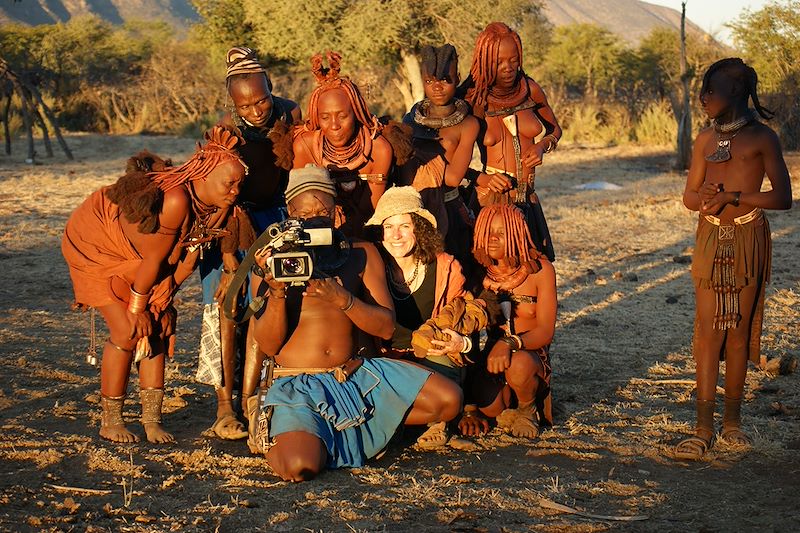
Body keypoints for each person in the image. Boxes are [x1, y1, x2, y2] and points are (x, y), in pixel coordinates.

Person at [250, 166, 462, 481]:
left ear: (336, 213)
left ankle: (334, 429)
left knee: (450, 400)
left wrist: (342, 299)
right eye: (304, 212)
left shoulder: (360, 254)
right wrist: (278, 292)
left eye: (323, 210)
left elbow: (386, 327)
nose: (314, 218)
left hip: (354, 377)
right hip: (297, 384)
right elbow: (267, 345)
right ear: (288, 213)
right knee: (299, 467)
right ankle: (299, 428)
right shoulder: (273, 260)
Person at [62, 126, 248, 444]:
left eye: (239, 184)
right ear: (203, 174)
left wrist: (176, 279)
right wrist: (137, 309)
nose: (234, 191)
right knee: (127, 331)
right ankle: (111, 421)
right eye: (229, 182)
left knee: (157, 329)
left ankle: (151, 422)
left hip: (145, 266)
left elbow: (171, 268)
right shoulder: (176, 199)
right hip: (99, 244)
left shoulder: (218, 209)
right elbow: (152, 262)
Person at [675, 58, 792, 460]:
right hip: (711, 239)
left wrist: (734, 197)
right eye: (704, 89)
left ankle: (732, 424)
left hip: (747, 237)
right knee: (710, 333)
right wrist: (706, 198)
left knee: (737, 332)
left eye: (713, 89)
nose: (705, 96)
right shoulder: (705, 141)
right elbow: (689, 196)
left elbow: (783, 198)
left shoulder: (763, 138)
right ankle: (703, 427)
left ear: (738, 93)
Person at [196, 46, 301, 441]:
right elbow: (224, 196)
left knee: (269, 299)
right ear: (232, 102)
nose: (256, 111)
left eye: (262, 100)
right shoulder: (227, 131)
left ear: (272, 88)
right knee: (221, 303)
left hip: (276, 215)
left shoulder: (291, 114)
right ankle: (225, 405)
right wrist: (227, 261)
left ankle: (257, 394)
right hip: (232, 219)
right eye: (246, 105)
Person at [364, 186, 487, 449]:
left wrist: (461, 344)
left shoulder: (444, 266)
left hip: (432, 357)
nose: (396, 235)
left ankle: (436, 421)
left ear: (418, 229)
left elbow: (465, 311)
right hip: (390, 357)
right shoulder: (372, 267)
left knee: (439, 357)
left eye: (405, 226)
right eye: (388, 227)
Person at [460, 22, 562, 261]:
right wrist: (482, 178)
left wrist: (542, 145)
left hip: (528, 196)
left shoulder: (531, 89)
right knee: (495, 270)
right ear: (485, 62)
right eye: (498, 62)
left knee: (533, 265)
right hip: (491, 201)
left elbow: (554, 129)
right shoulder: (473, 100)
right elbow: (445, 162)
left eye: (513, 60)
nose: (508, 68)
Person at [460, 203, 557, 439]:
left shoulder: (541, 271)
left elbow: (545, 331)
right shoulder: (477, 273)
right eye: (487, 231)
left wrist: (509, 344)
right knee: (489, 405)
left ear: (517, 233)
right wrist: (470, 408)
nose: (493, 238)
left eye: (502, 233)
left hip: (529, 356)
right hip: (492, 359)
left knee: (519, 365)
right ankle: (503, 412)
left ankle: (527, 409)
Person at [292, 51, 394, 238]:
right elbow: (298, 205)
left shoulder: (379, 149)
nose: (334, 126)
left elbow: (370, 210)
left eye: (342, 116)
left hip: (366, 232)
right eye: (325, 117)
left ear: (356, 112)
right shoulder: (304, 147)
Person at [400, 44, 480, 280]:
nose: (437, 87)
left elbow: (454, 177)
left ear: (457, 79)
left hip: (450, 210)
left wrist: (419, 158)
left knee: (452, 273)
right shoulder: (410, 119)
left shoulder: (468, 124)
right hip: (414, 208)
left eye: (445, 80)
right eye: (430, 80)